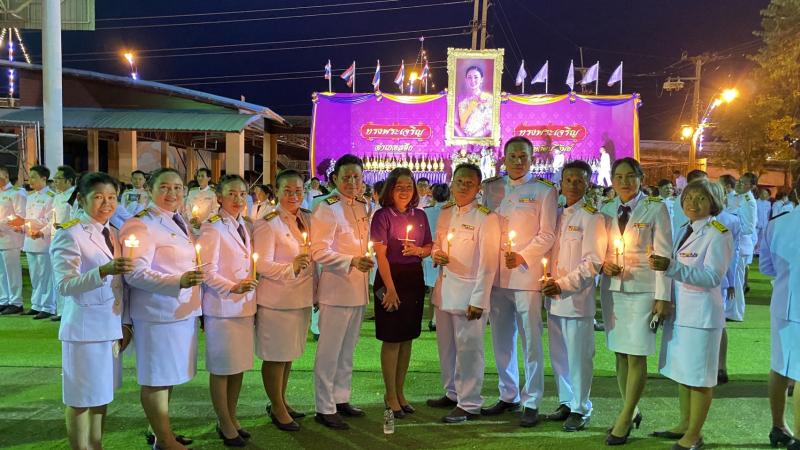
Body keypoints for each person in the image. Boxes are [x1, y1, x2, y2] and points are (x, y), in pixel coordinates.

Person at [121, 168, 204, 450]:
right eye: (165, 187)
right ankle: (164, 440)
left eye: (178, 188)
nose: (172, 193)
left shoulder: (177, 219)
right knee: (156, 378)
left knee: (168, 376)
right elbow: (134, 273)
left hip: (179, 311)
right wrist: (177, 281)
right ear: (150, 190)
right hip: (157, 313)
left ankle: (160, 431)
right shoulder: (140, 224)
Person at [50, 172, 134, 450]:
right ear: (82, 199)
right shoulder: (70, 233)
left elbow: (121, 285)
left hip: (110, 327)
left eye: (112, 197)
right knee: (80, 399)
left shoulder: (114, 233)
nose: (106, 203)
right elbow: (64, 285)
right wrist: (102, 271)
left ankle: (95, 444)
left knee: (101, 395)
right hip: (84, 331)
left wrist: (125, 323)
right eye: (98, 197)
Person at [479, 136, 557, 427]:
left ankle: (532, 400)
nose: (518, 161)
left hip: (525, 275)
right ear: (504, 157)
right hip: (496, 274)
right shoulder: (491, 188)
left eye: (523, 156)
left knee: (531, 339)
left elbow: (547, 234)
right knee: (501, 339)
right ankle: (508, 393)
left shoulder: (543, 190)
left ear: (532, 158)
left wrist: (523, 255)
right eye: (512, 156)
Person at [650, 179, 733, 450]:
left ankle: (694, 435)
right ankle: (684, 424)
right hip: (682, 314)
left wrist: (672, 267)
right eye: (688, 197)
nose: (692, 203)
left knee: (699, 378)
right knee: (684, 373)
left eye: (700, 198)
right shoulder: (684, 229)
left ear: (713, 203)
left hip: (701, 317)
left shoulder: (718, 233)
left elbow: (712, 277)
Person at [599, 157, 673, 445]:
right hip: (613, 290)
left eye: (631, 176)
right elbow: (601, 249)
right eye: (619, 177)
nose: (625, 182)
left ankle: (625, 417)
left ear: (641, 178)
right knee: (619, 352)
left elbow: (664, 254)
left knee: (636, 354)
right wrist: (603, 265)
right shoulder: (606, 209)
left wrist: (662, 296)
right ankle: (631, 409)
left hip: (643, 289)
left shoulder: (656, 207)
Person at [427, 163, 500, 423]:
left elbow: (488, 264)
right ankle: (452, 392)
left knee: (469, 350)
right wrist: (436, 254)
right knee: (446, 348)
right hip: (444, 290)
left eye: (470, 183)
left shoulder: (486, 218)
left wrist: (479, 299)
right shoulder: (446, 212)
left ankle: (469, 402)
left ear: (478, 188)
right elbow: (437, 244)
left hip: (469, 294)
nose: (463, 187)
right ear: (452, 183)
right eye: (459, 181)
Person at [541, 160, 607, 432]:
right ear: (561, 182)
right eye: (568, 179)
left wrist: (563, 285)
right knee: (559, 356)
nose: (573, 185)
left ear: (588, 184)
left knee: (579, 357)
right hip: (554, 298)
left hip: (576, 299)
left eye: (579, 180)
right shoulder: (556, 215)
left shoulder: (592, 218)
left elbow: (593, 263)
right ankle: (566, 401)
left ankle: (581, 407)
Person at [310, 154, 374, 430]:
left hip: (357, 289)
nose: (351, 182)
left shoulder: (362, 205)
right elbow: (318, 250)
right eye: (346, 177)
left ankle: (341, 397)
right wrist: (351, 261)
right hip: (336, 290)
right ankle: (324, 407)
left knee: (347, 349)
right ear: (334, 178)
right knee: (329, 351)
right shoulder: (327, 207)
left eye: (356, 177)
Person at [198, 174, 259, 446]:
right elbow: (207, 271)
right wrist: (232, 287)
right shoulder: (212, 227)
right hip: (222, 307)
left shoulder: (243, 224)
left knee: (238, 366)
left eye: (242, 194)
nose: (238, 199)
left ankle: (232, 417)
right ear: (219, 197)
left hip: (243, 306)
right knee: (222, 368)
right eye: (231, 194)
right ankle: (223, 421)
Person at [253, 170, 314, 432]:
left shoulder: (306, 218)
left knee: (288, 355)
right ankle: (276, 407)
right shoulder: (268, 222)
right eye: (287, 191)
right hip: (277, 300)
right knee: (276, 356)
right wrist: (291, 267)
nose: (293, 196)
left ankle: (281, 400)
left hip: (300, 297)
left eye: (298, 191)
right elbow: (261, 264)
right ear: (276, 191)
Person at [371, 168, 433, 418]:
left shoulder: (420, 215)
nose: (405, 191)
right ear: (391, 189)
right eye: (399, 187)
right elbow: (380, 256)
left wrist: (418, 251)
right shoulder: (382, 216)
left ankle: (400, 392)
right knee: (392, 338)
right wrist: (390, 288)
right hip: (390, 277)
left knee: (407, 338)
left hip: (413, 278)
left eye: (409, 186)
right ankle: (389, 394)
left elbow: (429, 246)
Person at [759, 180, 800, 450]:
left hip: (784, 304)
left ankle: (778, 426)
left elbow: (766, 267)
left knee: (780, 366)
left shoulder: (778, 223)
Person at [22, 165, 57, 319]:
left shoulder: (51, 196)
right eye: (29, 177)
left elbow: (49, 220)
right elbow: (26, 217)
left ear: (44, 178)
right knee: (35, 275)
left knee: (46, 275)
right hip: (30, 240)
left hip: (43, 240)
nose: (30, 180)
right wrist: (20, 226)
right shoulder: (30, 197)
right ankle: (36, 304)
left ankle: (48, 306)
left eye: (33, 177)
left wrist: (35, 227)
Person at [725, 172, 757, 322]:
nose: (738, 184)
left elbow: (748, 228)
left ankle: (735, 313)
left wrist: (731, 230)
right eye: (739, 181)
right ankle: (730, 310)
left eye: (743, 182)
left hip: (740, 245)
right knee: (732, 279)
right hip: (733, 244)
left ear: (752, 187)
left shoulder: (748, 201)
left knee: (736, 281)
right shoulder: (738, 197)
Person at [50, 165, 79, 321]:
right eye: (54, 179)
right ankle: (60, 310)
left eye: (58, 179)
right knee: (57, 277)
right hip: (56, 239)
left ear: (69, 181)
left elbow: (76, 218)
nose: (55, 181)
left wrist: (63, 226)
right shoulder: (57, 196)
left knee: (68, 276)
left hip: (69, 240)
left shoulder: (74, 196)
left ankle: (67, 311)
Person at [423, 183, 451, 331]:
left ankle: (433, 319)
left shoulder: (427, 211)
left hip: (431, 254)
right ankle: (438, 318)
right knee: (445, 287)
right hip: (447, 253)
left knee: (433, 287)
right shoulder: (452, 210)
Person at [0, 165, 26, 315]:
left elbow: (19, 216)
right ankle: (4, 300)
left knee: (12, 272)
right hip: (1, 238)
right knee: (2, 273)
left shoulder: (17, 193)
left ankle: (16, 302)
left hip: (11, 237)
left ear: (6, 176)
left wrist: (1, 225)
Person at [456, 66, 493, 137]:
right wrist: (464, 139)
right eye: (469, 77)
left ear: (481, 79)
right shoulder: (460, 101)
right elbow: (456, 123)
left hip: (483, 140)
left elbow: (491, 124)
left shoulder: (489, 98)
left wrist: (473, 138)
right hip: (464, 140)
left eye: (476, 77)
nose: (472, 80)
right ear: (466, 79)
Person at [185, 168, 218, 234]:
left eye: (202, 176)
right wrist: (191, 219)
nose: (200, 178)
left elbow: (215, 211)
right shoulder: (192, 191)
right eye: (198, 176)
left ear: (209, 178)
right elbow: (187, 208)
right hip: (192, 226)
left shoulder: (213, 193)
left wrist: (202, 223)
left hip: (207, 227)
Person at [756, 188, 771, 253]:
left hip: (765, 224)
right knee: (755, 238)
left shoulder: (768, 203)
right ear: (760, 194)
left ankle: (758, 251)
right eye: (764, 193)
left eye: (766, 194)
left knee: (762, 239)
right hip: (756, 224)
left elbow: (768, 214)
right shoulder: (756, 202)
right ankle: (753, 251)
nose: (765, 195)